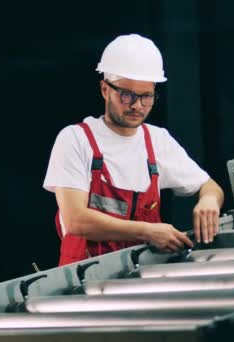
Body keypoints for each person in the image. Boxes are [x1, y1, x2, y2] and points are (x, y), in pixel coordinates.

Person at [43, 33, 224, 266]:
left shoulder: (157, 141)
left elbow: (210, 187)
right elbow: (76, 219)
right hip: (83, 283)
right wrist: (149, 232)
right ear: (104, 89)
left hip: (143, 278)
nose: (137, 105)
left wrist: (208, 201)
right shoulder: (76, 139)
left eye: (146, 96)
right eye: (126, 95)